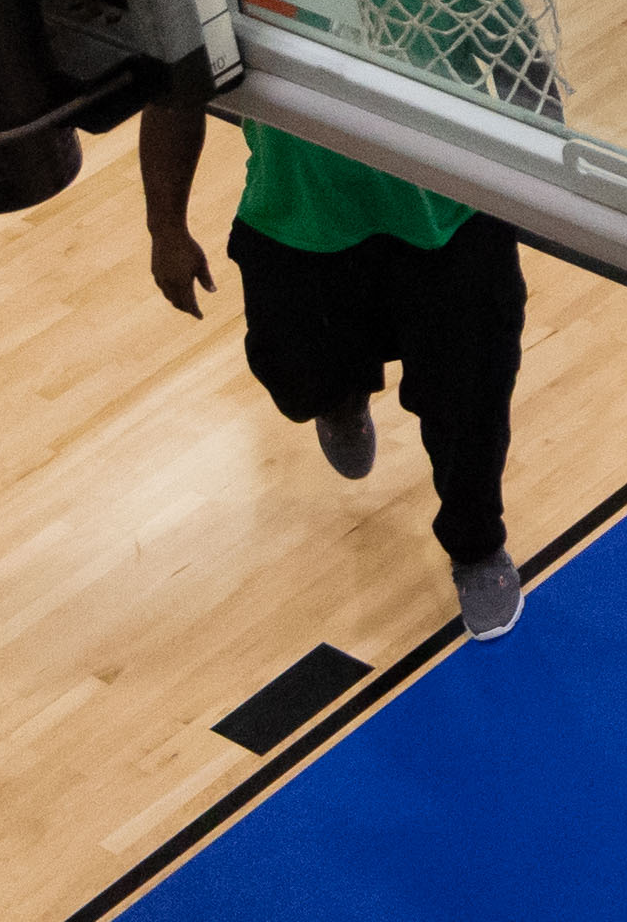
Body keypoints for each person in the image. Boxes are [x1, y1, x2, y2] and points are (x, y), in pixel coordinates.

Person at [135, 86, 526, 639]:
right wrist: (166, 228)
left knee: (469, 402)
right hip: (296, 217)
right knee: (298, 379)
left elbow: (523, 64)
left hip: (451, 222)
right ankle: (339, 397)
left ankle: (478, 547)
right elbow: (174, 88)